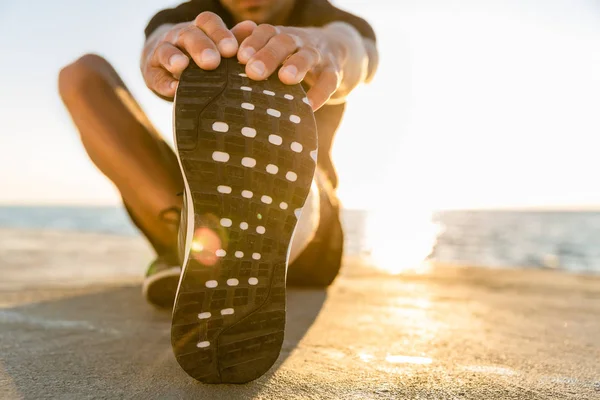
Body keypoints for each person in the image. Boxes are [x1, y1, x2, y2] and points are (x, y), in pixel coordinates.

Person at [59, 0, 378, 383]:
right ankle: (196, 240)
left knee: (283, 174)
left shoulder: (325, 18)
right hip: (193, 207)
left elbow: (355, 51)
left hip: (312, 231)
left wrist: (326, 51)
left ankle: (230, 244)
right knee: (81, 75)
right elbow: (160, 35)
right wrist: (164, 47)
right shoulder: (191, 15)